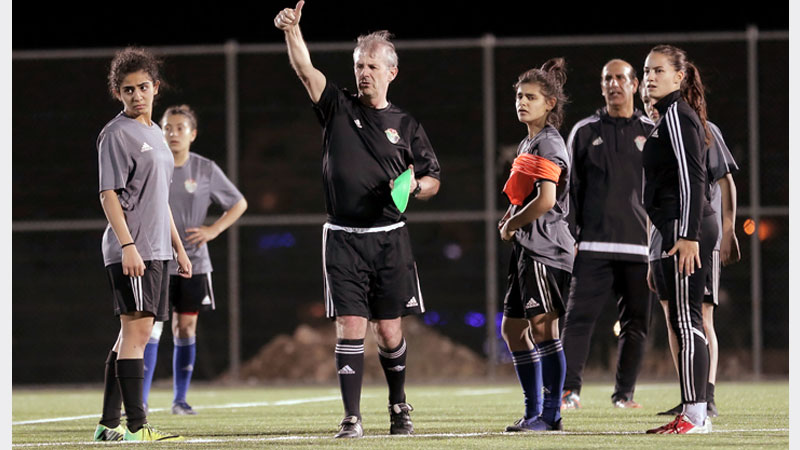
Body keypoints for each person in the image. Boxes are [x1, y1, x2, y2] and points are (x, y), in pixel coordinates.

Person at [274, 1, 441, 438]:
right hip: (343, 239)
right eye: (359, 65)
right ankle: (351, 417)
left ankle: (399, 404)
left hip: (389, 239)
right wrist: (293, 31)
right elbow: (306, 71)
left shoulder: (405, 124)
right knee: (350, 325)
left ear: (391, 72)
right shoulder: (337, 107)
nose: (363, 72)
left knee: (388, 331)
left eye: (372, 66)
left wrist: (414, 188)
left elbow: (431, 178)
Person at [93, 47, 189, 442]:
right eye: (128, 90)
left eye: (143, 87)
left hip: (156, 249)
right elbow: (108, 195)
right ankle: (137, 427)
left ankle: (107, 425)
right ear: (118, 93)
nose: (137, 95)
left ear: (156, 87)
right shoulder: (116, 134)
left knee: (128, 337)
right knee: (138, 334)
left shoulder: (154, 133)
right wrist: (128, 244)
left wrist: (179, 249)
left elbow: (158, 199)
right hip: (133, 249)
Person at [140, 105, 248, 415]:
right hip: (156, 261)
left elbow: (238, 203)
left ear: (193, 134)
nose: (173, 133)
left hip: (194, 263)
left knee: (185, 329)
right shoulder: (151, 165)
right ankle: (141, 401)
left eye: (180, 128)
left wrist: (213, 229)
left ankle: (180, 400)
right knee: (151, 330)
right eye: (167, 127)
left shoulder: (204, 169)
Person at [560, 59, 655, 410]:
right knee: (578, 321)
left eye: (621, 78)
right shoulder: (584, 131)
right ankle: (568, 392)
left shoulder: (653, 130)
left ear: (634, 85)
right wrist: (569, 239)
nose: (614, 84)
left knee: (636, 325)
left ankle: (624, 395)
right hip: (593, 245)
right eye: (607, 79)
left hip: (640, 248)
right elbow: (568, 191)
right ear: (601, 87)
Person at [640, 85, 740, 419]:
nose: (648, 103)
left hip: (695, 234)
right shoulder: (657, 135)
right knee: (673, 316)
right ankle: (689, 392)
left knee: (700, 315)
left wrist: (728, 229)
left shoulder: (701, 128)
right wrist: (649, 256)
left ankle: (705, 395)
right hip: (663, 239)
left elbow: (724, 181)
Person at [641, 44, 716, 434]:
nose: (650, 77)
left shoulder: (676, 115)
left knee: (687, 321)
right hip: (673, 226)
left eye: (658, 71)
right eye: (647, 71)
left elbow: (693, 177)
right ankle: (693, 411)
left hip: (683, 228)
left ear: (679, 77)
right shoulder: (665, 115)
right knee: (681, 319)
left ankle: (695, 414)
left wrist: (687, 235)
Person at [498, 58, 573, 432]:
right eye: (518, 96)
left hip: (548, 250)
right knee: (512, 330)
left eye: (530, 97)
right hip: (528, 249)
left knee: (544, 329)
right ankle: (533, 412)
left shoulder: (550, 142)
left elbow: (546, 200)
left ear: (550, 104)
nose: (522, 102)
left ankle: (550, 415)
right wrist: (512, 217)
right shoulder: (530, 141)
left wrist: (513, 222)